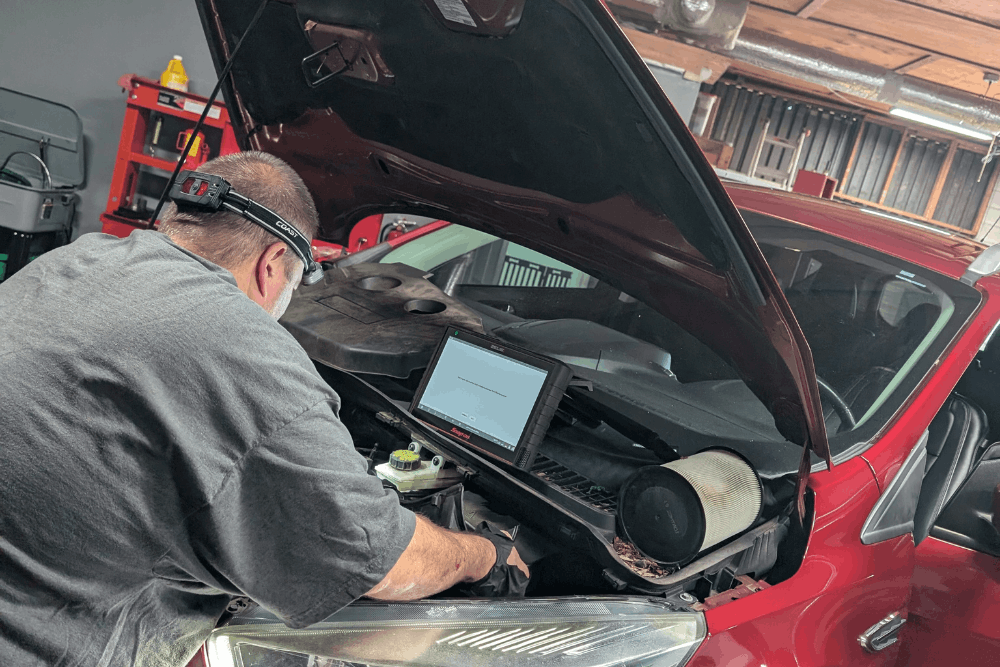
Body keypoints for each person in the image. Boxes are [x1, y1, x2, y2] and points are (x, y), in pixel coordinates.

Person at [0, 151, 528, 667]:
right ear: (272, 261)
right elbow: (376, 558)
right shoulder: (237, 340)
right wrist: (483, 556)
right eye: (296, 285)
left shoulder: (77, 260)